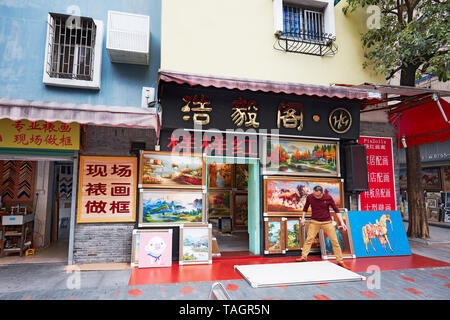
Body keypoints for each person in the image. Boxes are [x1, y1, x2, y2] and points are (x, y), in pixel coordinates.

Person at [296, 185, 349, 269]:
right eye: (314, 194)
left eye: (317, 195)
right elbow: (305, 208)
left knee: (334, 241)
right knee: (309, 239)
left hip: (327, 222)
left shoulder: (328, 197)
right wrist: (303, 218)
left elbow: (336, 210)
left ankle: (340, 261)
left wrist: (342, 222)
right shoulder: (310, 197)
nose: (315, 196)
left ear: (321, 193)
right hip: (314, 222)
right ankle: (304, 257)